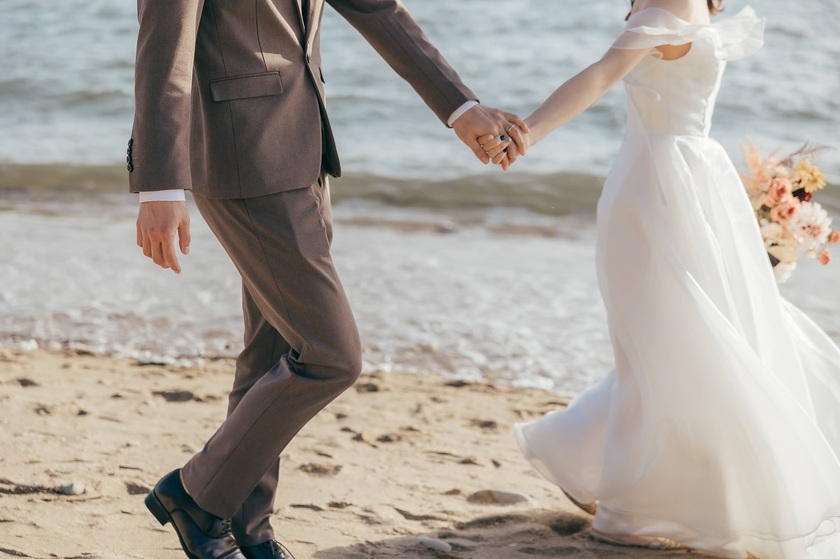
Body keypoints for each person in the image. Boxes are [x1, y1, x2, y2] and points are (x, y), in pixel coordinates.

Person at [128, 1, 527, 558]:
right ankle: (194, 494)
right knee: (330, 353)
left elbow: (376, 8)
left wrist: (461, 109)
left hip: (303, 147)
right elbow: (163, 49)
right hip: (239, 152)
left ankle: (248, 526)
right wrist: (160, 185)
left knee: (273, 347)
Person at [488, 0, 840, 556]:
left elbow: (601, 74)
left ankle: (630, 495)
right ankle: (636, 480)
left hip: (657, 187)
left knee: (666, 344)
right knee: (683, 338)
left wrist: (526, 132)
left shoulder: (666, 1)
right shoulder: (698, 2)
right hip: (696, 177)